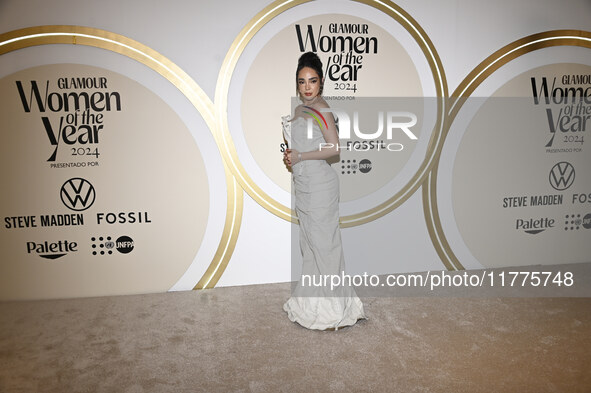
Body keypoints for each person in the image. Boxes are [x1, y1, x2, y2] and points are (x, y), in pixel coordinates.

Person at [282, 52, 366, 331]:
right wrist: (291, 158)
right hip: (303, 185)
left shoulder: (322, 109)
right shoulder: (298, 109)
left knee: (325, 248)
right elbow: (300, 147)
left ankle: (334, 308)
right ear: (297, 84)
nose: (307, 87)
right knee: (310, 246)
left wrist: (302, 157)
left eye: (312, 81)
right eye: (302, 81)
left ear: (321, 82)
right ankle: (311, 304)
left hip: (320, 186)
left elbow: (334, 148)